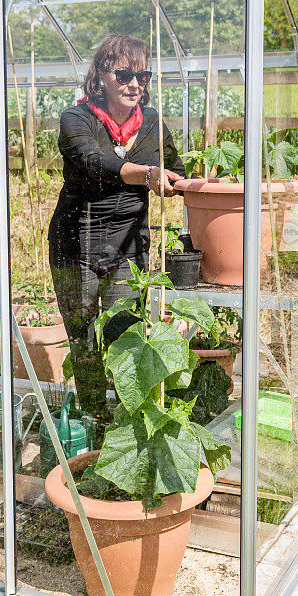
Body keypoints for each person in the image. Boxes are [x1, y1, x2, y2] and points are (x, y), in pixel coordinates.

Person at [48, 33, 185, 419]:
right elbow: (92, 162)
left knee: (125, 335)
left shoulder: (152, 121)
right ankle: (94, 420)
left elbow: (176, 169)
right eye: (124, 74)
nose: (134, 84)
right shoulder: (77, 119)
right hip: (77, 244)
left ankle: (128, 421)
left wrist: (194, 185)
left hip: (128, 246)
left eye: (143, 76)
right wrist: (147, 172)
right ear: (101, 76)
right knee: (84, 338)